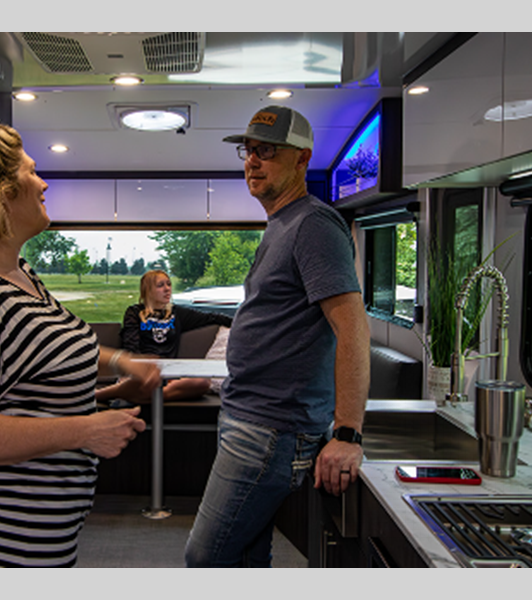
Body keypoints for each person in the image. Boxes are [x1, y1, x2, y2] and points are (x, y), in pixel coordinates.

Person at [0, 119, 160, 567]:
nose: (43, 183)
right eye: (31, 171)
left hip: (41, 542)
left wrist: (121, 362)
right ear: (1, 192)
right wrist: (85, 430)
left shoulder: (20, 274)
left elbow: (43, 354)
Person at [184, 105, 370, 567]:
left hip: (269, 429)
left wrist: (348, 433)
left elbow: (352, 327)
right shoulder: (282, 224)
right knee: (246, 556)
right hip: (250, 417)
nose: (252, 161)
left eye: (267, 151)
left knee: (205, 557)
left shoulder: (313, 225)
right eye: (249, 151)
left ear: (302, 159)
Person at [95, 269, 232, 405]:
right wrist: (137, 368)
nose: (167, 289)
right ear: (148, 290)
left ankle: (144, 397)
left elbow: (212, 318)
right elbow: (131, 344)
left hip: (169, 372)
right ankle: (102, 394)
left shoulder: (177, 313)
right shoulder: (135, 312)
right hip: (141, 370)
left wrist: (240, 325)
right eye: (160, 285)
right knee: (137, 383)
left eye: (169, 284)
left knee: (202, 383)